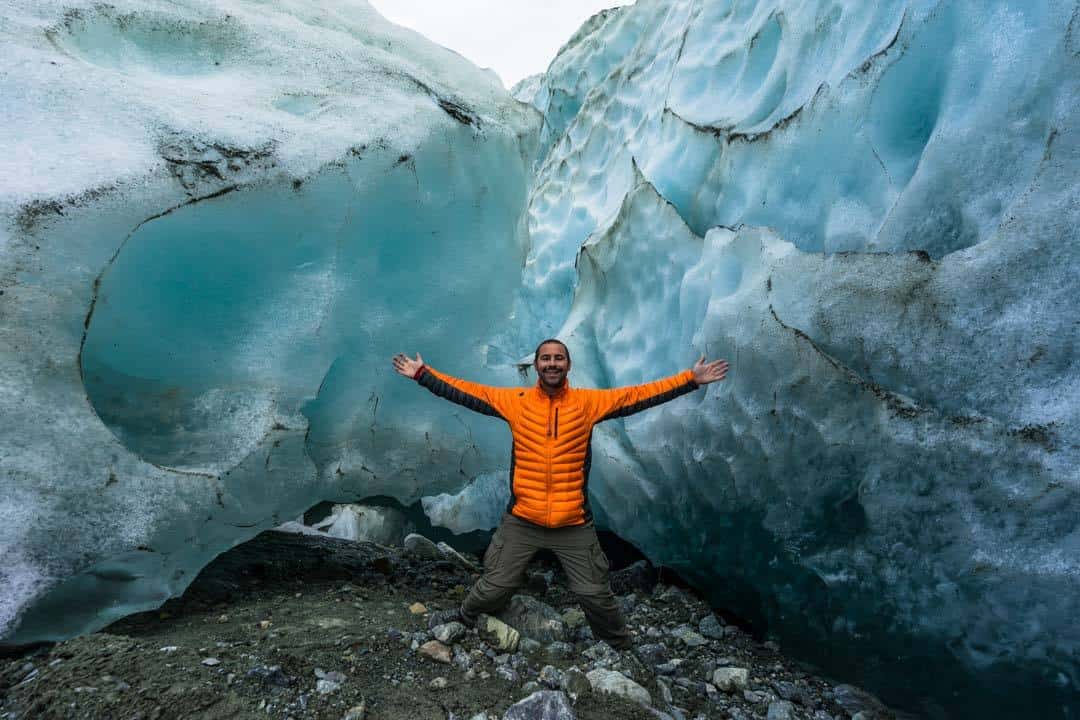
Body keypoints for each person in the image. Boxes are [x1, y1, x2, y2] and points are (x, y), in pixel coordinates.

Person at [392, 339, 728, 649]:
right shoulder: (516, 402)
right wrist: (423, 374)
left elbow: (636, 396)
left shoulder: (588, 403)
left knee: (594, 593)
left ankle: (620, 647)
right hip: (523, 519)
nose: (552, 364)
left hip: (572, 523)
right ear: (536, 365)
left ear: (567, 365)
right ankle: (464, 619)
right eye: (546, 358)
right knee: (495, 587)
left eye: (559, 358)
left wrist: (690, 380)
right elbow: (466, 392)